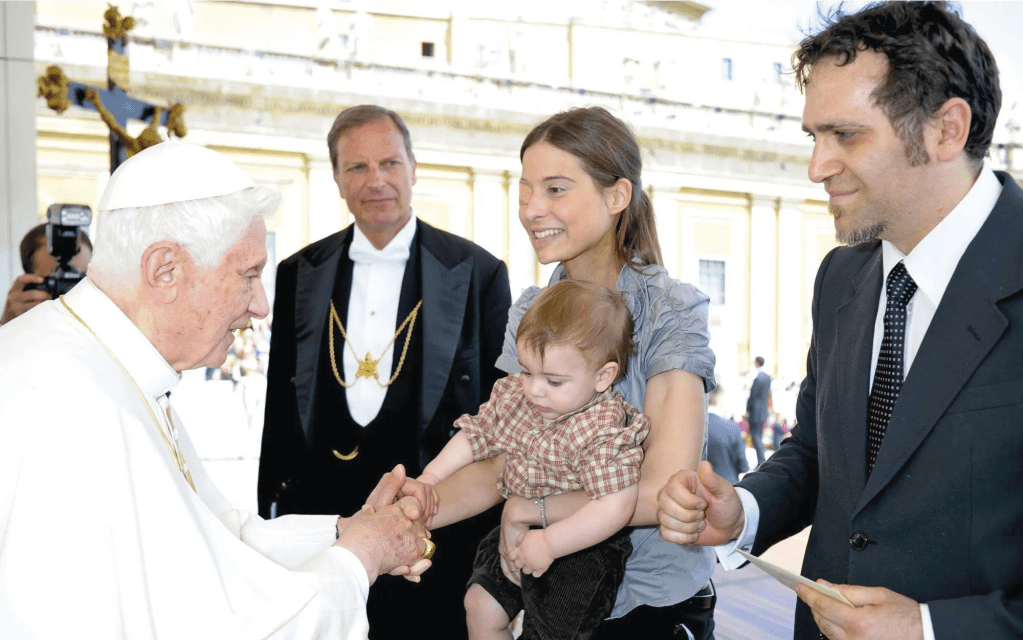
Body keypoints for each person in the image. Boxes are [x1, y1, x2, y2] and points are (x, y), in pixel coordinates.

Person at [657, 3, 1023, 639]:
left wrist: (930, 628)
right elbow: (822, 450)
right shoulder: (841, 279)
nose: (817, 166)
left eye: (846, 136)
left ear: (947, 129)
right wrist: (743, 510)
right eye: (813, 138)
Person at [0, 141, 438, 638]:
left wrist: (350, 530)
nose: (262, 305)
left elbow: (216, 536)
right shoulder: (72, 406)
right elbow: (213, 623)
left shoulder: (110, 370)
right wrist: (364, 555)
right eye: (249, 275)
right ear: (164, 270)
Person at [430, 106, 718, 640]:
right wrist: (415, 506)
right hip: (547, 589)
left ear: (616, 197)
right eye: (525, 191)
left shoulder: (668, 311)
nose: (532, 209)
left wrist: (529, 506)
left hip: (648, 604)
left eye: (556, 189)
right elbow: (499, 459)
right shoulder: (531, 309)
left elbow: (660, 491)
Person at [257, 104, 512, 638]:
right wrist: (271, 517)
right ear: (336, 179)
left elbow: (499, 420)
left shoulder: (479, 274)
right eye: (357, 168)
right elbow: (280, 409)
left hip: (438, 541)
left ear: (414, 168)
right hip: (323, 534)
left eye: (390, 164)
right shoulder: (297, 273)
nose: (376, 181)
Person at [421, 280, 651, 639]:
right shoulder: (519, 395)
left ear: (603, 376)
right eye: (528, 371)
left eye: (555, 381)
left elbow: (615, 505)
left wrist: (550, 542)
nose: (535, 390)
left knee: (548, 633)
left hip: (581, 545)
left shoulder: (602, 426)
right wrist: (431, 477)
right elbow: (478, 434)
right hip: (518, 526)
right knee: (479, 604)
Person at [0, 222, 92, 325]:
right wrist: (8, 325)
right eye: (61, 278)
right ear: (31, 285)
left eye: (82, 278)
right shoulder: (23, 329)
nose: (73, 289)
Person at [705, 386, 748, 485]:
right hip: (728, 486)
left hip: (697, 489)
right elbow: (743, 465)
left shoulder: (692, 426)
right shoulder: (733, 428)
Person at [744, 356, 771, 467]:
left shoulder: (758, 378)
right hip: (763, 412)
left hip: (755, 412)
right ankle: (761, 460)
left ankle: (761, 461)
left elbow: (752, 396)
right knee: (758, 436)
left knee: (755, 437)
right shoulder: (767, 378)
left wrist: (748, 409)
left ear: (757, 363)